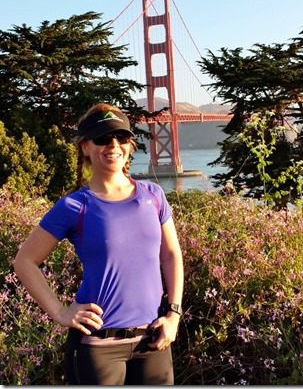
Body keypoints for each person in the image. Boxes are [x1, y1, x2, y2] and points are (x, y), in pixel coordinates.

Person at [14, 102, 184, 385]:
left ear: (129, 145)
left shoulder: (153, 195)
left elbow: (171, 255)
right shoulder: (74, 205)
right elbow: (24, 261)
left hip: (153, 340)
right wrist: (60, 312)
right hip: (98, 347)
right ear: (85, 147)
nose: (113, 145)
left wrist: (174, 315)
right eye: (103, 138)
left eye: (121, 137)